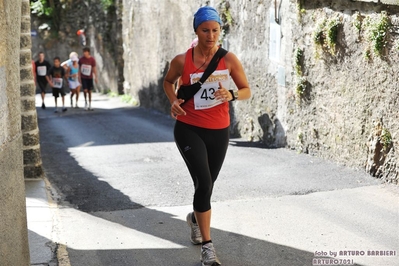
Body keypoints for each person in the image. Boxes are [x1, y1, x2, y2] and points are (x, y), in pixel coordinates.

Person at [163, 6, 251, 266]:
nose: (210, 35)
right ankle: (208, 247)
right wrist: (173, 101)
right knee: (203, 182)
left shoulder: (229, 59)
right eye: (205, 30)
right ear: (196, 31)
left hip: (219, 130)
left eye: (215, 30)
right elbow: (168, 82)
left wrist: (232, 94)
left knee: (207, 186)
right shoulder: (182, 60)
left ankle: (194, 218)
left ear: (219, 31)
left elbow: (246, 90)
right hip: (188, 127)